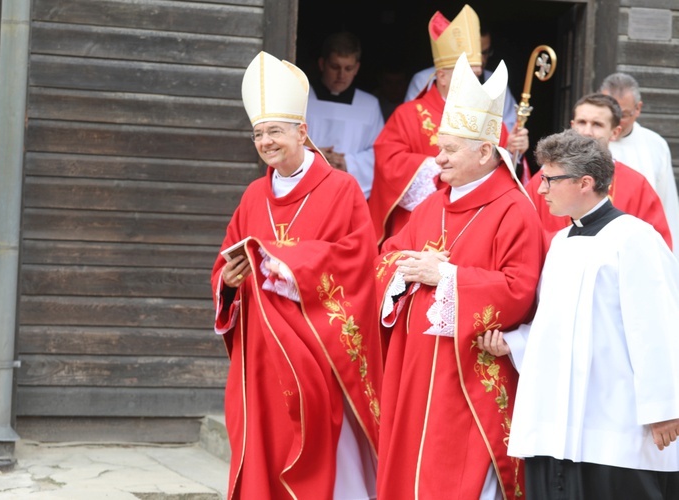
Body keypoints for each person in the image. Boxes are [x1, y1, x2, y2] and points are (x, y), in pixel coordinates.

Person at [211, 51, 382, 500]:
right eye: (258, 133)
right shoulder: (253, 195)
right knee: (259, 443)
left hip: (316, 349)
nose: (266, 141)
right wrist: (228, 281)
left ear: (302, 132)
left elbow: (357, 260)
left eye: (275, 132)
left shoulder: (341, 189)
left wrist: (283, 260)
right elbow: (225, 261)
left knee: (321, 459)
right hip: (259, 354)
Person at [374, 51, 545, 499]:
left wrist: (446, 276)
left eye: (449, 149)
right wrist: (400, 272)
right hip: (415, 369)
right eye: (439, 147)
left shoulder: (514, 210)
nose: (438, 159)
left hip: (467, 375)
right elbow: (389, 254)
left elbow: (519, 289)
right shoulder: (432, 204)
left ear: (485, 151)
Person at [480, 129, 679, 499]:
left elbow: (660, 327)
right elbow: (553, 324)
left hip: (615, 421)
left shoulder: (635, 238)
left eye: (550, 179)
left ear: (585, 182)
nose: (541, 190)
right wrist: (513, 343)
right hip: (557, 419)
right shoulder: (560, 242)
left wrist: (664, 406)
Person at [368, 4, 529, 245]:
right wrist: (439, 171)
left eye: (477, 75)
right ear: (441, 76)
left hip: (477, 225)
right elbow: (388, 162)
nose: (475, 82)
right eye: (466, 74)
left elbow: (505, 178)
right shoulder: (408, 114)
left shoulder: (489, 121)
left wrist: (514, 153)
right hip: (419, 223)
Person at [526, 93, 672, 248]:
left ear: (615, 132)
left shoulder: (637, 185)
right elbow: (524, 236)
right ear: (572, 125)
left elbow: (656, 247)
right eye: (582, 122)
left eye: (597, 124)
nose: (587, 131)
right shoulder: (543, 181)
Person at [600, 72, 679, 258]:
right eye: (608, 110)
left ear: (638, 109)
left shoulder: (655, 145)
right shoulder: (583, 142)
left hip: (639, 251)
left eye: (622, 114)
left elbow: (667, 205)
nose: (614, 120)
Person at [306, 32, 384, 199]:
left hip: (348, 191)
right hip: (307, 188)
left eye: (348, 68)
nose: (341, 75)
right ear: (322, 64)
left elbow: (380, 152)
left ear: (357, 68)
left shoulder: (369, 105)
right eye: (335, 67)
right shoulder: (302, 99)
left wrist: (347, 163)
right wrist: (312, 156)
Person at [404, 28, 518, 132]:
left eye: (485, 53)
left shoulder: (495, 81)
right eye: (475, 53)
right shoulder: (423, 79)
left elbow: (507, 130)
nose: (481, 60)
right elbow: (411, 124)